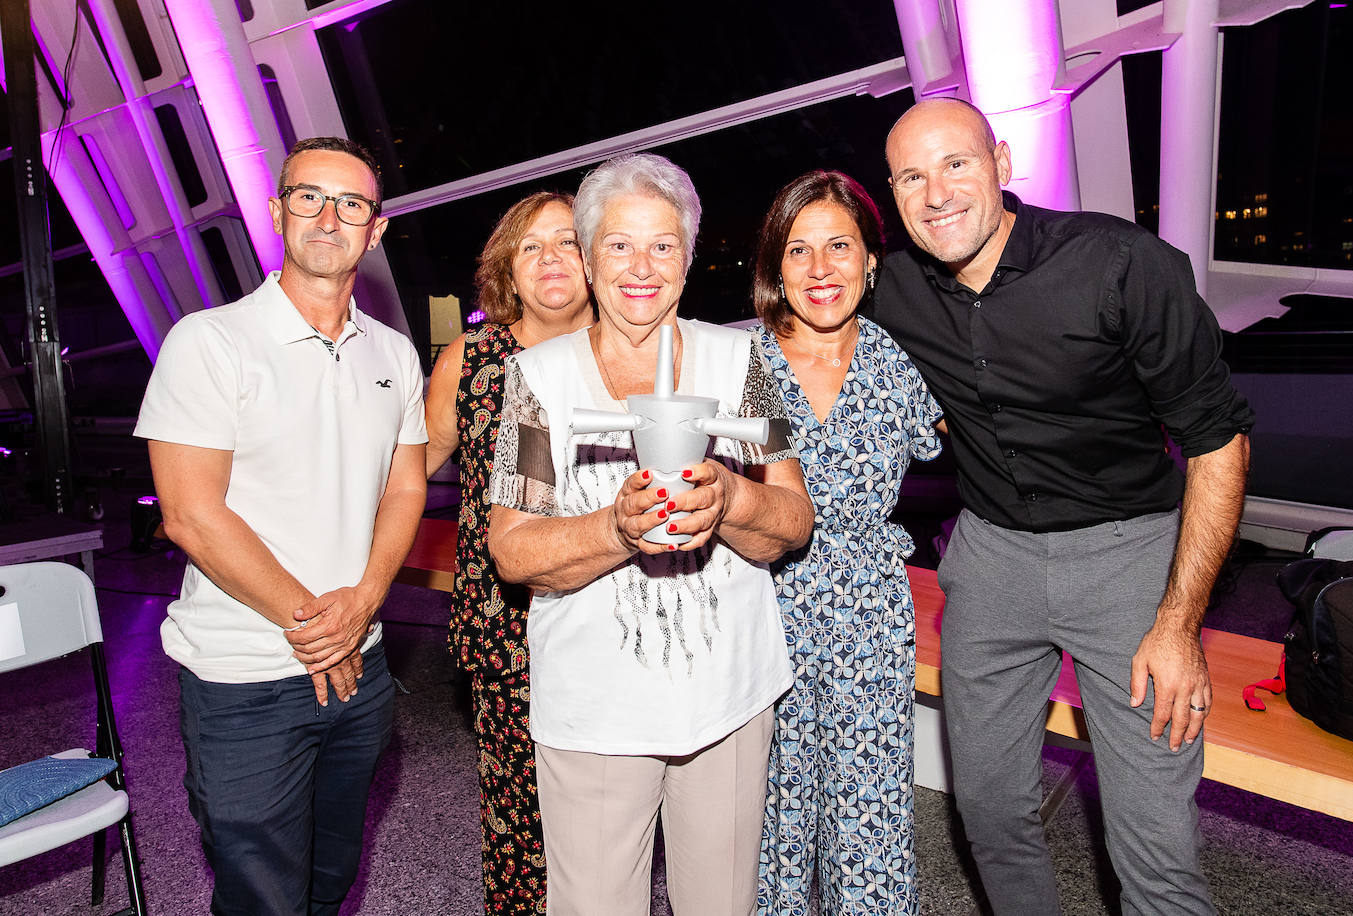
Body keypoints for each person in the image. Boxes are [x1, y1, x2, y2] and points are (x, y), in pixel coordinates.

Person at [873, 98, 1254, 915]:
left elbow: (1219, 442)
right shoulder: (892, 286)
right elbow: (790, 336)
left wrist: (1180, 622)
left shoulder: (1119, 264)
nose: (936, 192)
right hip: (991, 560)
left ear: (1002, 163)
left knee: (1154, 847)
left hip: (1132, 561)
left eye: (956, 164)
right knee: (990, 814)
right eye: (912, 175)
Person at [485, 152, 814, 916]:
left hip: (729, 698)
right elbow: (514, 549)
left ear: (689, 259)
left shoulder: (743, 362)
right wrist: (615, 527)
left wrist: (731, 497)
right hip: (594, 710)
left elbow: (792, 519)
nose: (641, 266)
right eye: (619, 245)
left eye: (662, 245)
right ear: (590, 260)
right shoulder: (536, 380)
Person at [135, 137, 426, 916]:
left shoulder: (395, 355)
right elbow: (193, 516)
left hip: (358, 670)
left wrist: (361, 605)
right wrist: (317, 625)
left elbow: (404, 489)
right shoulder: (211, 341)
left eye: (352, 204)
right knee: (262, 892)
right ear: (277, 211)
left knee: (331, 878)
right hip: (244, 678)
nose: (329, 217)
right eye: (310, 197)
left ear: (376, 228)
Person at [750, 170, 942, 915]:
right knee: (771, 815)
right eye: (799, 251)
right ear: (775, 265)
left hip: (868, 610)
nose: (821, 269)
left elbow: (999, 441)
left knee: (871, 814)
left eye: (840, 247)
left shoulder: (904, 362)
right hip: (761, 606)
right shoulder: (742, 364)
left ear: (870, 261)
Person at [423, 191, 594, 914]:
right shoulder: (472, 358)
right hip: (506, 623)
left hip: (610, 611)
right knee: (519, 810)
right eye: (531, 246)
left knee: (608, 807)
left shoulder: (630, 349)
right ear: (507, 268)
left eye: (568, 241)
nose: (551, 258)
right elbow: (410, 474)